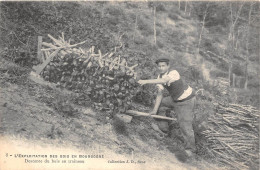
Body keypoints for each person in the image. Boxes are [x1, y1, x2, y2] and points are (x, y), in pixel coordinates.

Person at [138, 57, 196, 158]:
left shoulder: (173, 72)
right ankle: (164, 129)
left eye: (163, 66)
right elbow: (159, 94)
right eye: (159, 66)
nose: (161, 68)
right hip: (174, 99)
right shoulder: (159, 76)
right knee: (161, 104)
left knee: (185, 125)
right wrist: (155, 110)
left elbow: (164, 80)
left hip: (186, 100)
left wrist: (146, 81)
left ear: (168, 66)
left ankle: (190, 150)